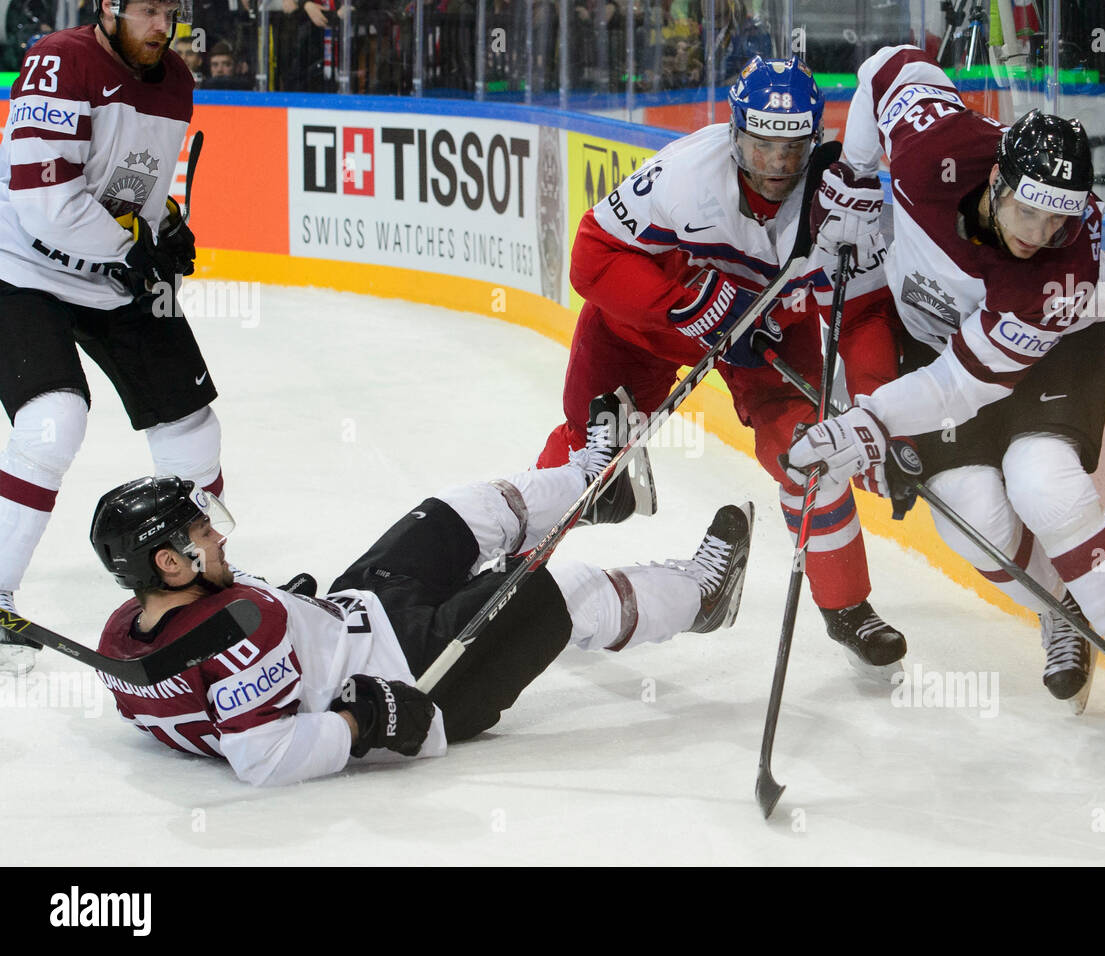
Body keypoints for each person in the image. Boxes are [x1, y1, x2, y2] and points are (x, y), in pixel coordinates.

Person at [788, 44, 1105, 747]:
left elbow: (961, 386)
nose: (1038, 236)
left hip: (1052, 351)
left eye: (1057, 222)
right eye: (1029, 213)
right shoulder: (932, 146)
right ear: (997, 178)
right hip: (936, 342)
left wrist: (870, 423)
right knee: (971, 516)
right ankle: (1061, 607)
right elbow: (886, 68)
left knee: (1043, 481)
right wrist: (852, 172)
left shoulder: (1056, 273)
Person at [91, 391, 755, 786]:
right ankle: (701, 596)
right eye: (203, 537)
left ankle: (594, 484)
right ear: (170, 565)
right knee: (561, 590)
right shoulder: (237, 640)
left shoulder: (127, 635)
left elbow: (194, 703)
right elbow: (261, 756)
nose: (220, 540)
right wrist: (359, 723)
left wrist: (295, 619)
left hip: (359, 613)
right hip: (419, 674)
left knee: (459, 509)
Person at [537, 55, 906, 678]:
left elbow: (866, 314)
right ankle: (520, 556)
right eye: (760, 147)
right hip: (656, 322)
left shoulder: (845, 207)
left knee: (807, 452)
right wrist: (687, 305)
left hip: (769, 337)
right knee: (590, 447)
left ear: (814, 143)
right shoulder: (686, 175)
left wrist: (881, 408)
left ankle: (847, 607)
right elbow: (591, 259)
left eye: (791, 153)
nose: (775, 169)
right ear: (735, 134)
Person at [0, 0, 213, 675]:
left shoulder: (174, 79)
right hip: (20, 268)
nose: (161, 26)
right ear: (108, 8)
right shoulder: (61, 59)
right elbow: (45, 203)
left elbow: (129, 182)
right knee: (53, 421)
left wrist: (165, 223)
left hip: (112, 274)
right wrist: (132, 244)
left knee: (191, 422)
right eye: (147, 10)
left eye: (170, 11)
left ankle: (197, 575)